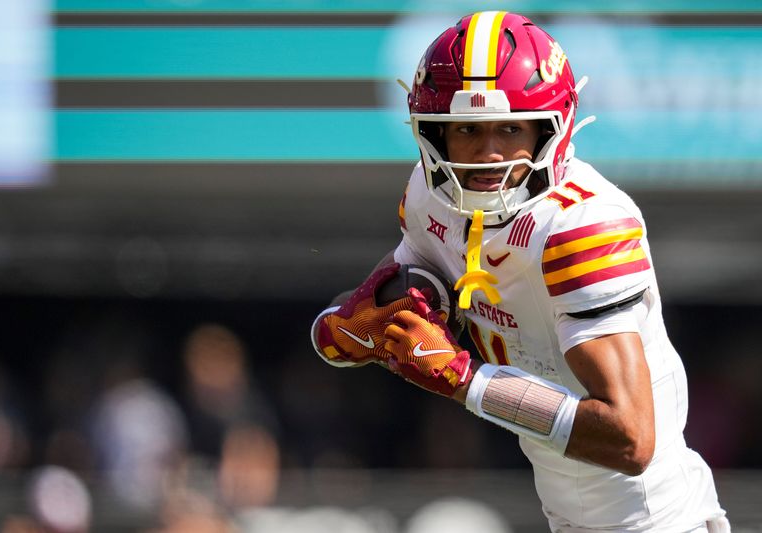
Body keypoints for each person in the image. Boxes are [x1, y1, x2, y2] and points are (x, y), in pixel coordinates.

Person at [310, 11, 730, 532]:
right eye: (466, 129)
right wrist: (345, 327)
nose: (488, 154)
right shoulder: (429, 195)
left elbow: (631, 437)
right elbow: (395, 295)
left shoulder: (581, 224)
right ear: (434, 137)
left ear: (550, 129)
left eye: (509, 128)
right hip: (567, 515)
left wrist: (466, 381)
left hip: (658, 521)